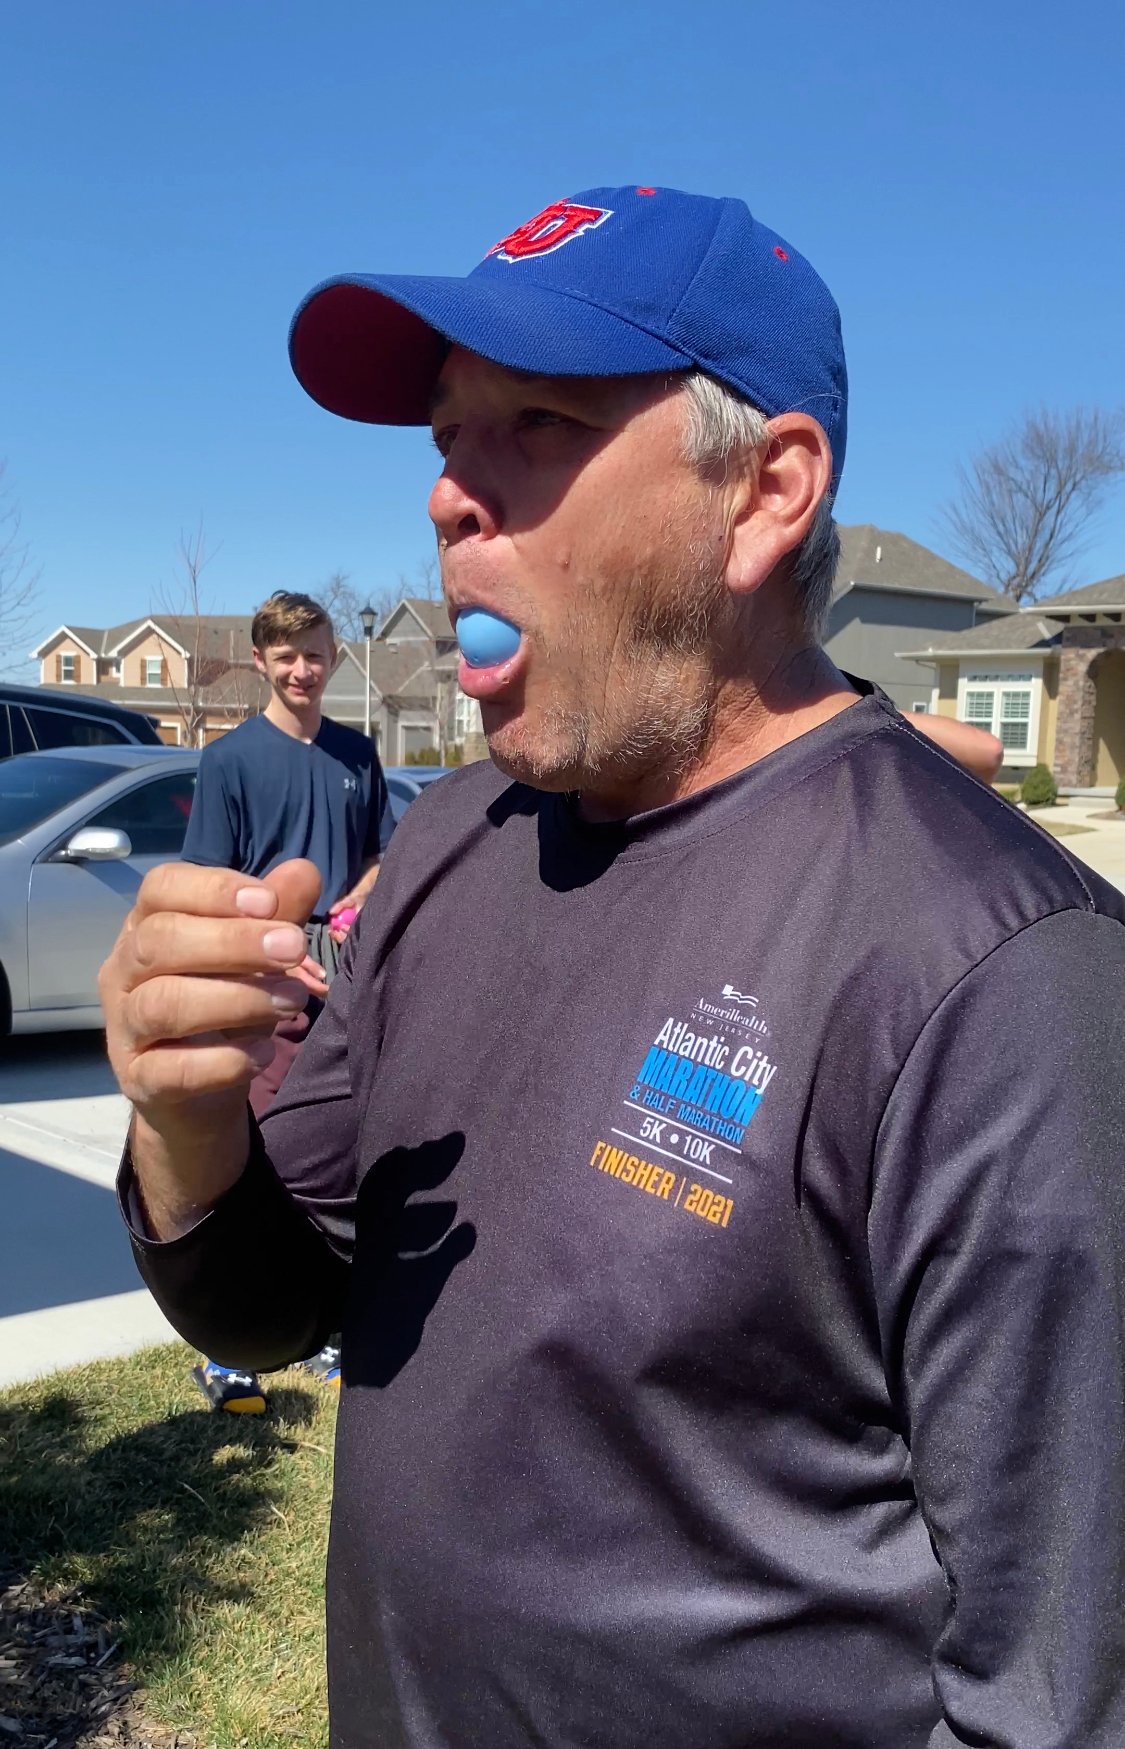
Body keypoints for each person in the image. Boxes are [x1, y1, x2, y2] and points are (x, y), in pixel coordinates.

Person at [102, 187, 1125, 1746]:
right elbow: (279, 1301)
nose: (451, 498)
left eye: (537, 423)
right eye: (449, 442)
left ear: (765, 491)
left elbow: (1060, 1691)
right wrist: (186, 1126)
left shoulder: (995, 972)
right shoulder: (450, 839)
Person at [180, 589, 393, 1413]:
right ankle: (229, 1349)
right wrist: (272, 941)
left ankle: (327, 1330)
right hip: (265, 979)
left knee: (340, 1153)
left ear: (332, 657)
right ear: (261, 661)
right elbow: (212, 883)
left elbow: (378, 857)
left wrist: (352, 907)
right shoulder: (230, 760)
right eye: (286, 654)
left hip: (344, 973)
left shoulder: (357, 754)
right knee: (252, 1160)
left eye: (314, 652)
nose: (302, 668)